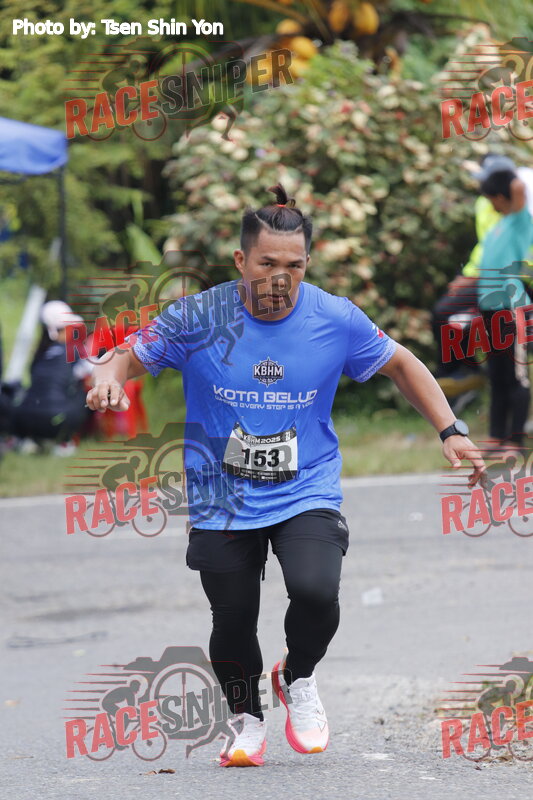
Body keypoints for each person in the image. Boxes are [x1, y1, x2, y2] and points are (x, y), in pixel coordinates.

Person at [86, 183, 486, 768]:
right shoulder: (200, 317)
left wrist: (450, 430)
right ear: (240, 260)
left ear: (307, 264)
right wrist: (109, 378)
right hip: (221, 493)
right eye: (267, 263)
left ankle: (296, 675)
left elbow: (402, 363)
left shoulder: (333, 317)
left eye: (294, 265)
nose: (280, 277)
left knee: (318, 591)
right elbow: (125, 353)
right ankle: (247, 717)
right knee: (232, 619)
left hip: (306, 485)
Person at [433, 154, 533, 404]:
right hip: (482, 277)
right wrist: (469, 277)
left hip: (514, 281)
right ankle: (465, 374)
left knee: (509, 356)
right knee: (444, 315)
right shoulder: (485, 203)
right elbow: (487, 248)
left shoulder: (522, 209)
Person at [476, 169, 533, 449]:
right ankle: (497, 435)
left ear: (500, 196)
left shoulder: (520, 221)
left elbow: (519, 185)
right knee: (496, 374)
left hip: (511, 308)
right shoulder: (496, 227)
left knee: (515, 375)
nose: (490, 205)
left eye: (491, 199)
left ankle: (516, 438)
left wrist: (498, 174)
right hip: (489, 309)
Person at [10, 300, 91, 454]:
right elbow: (94, 371)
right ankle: (65, 441)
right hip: (56, 422)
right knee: (85, 392)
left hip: (24, 419)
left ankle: (30, 440)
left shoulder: (38, 354)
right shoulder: (74, 351)